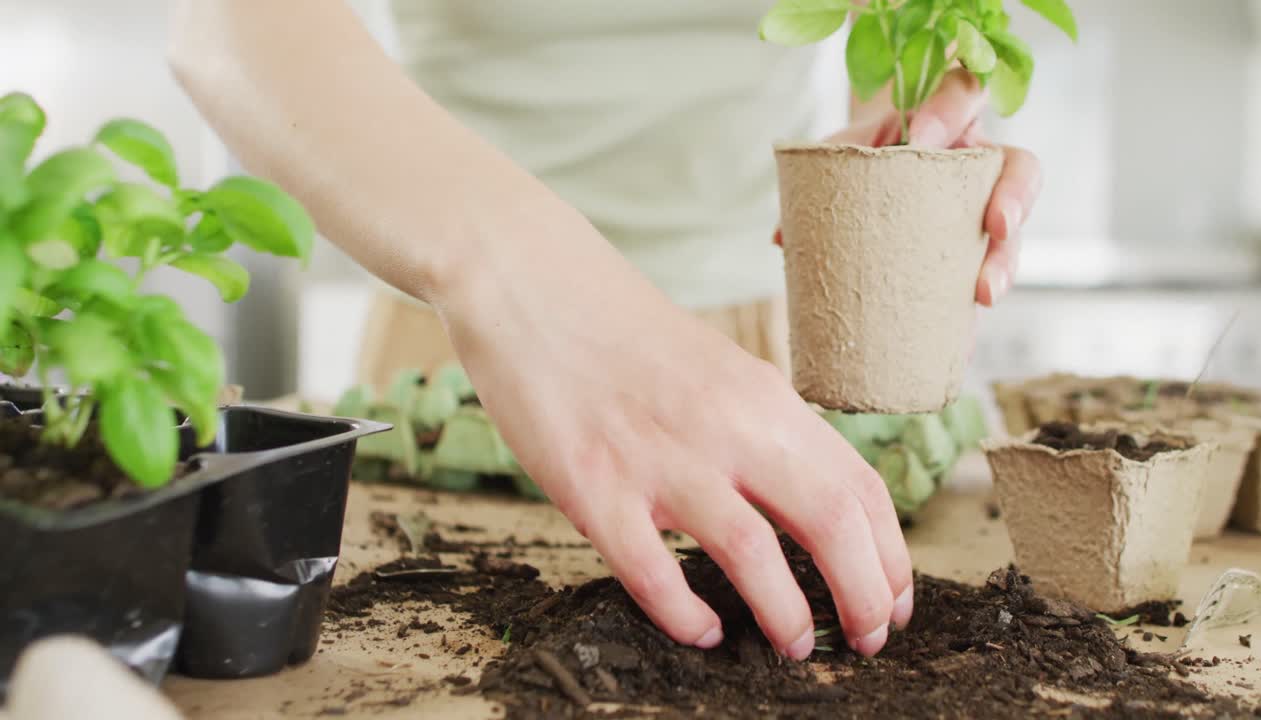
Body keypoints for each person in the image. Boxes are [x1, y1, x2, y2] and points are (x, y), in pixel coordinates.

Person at [169, 0, 1040, 662]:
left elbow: (903, 45)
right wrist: (516, 276)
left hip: (754, 367)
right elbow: (227, 21)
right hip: (470, 339)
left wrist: (916, 130)